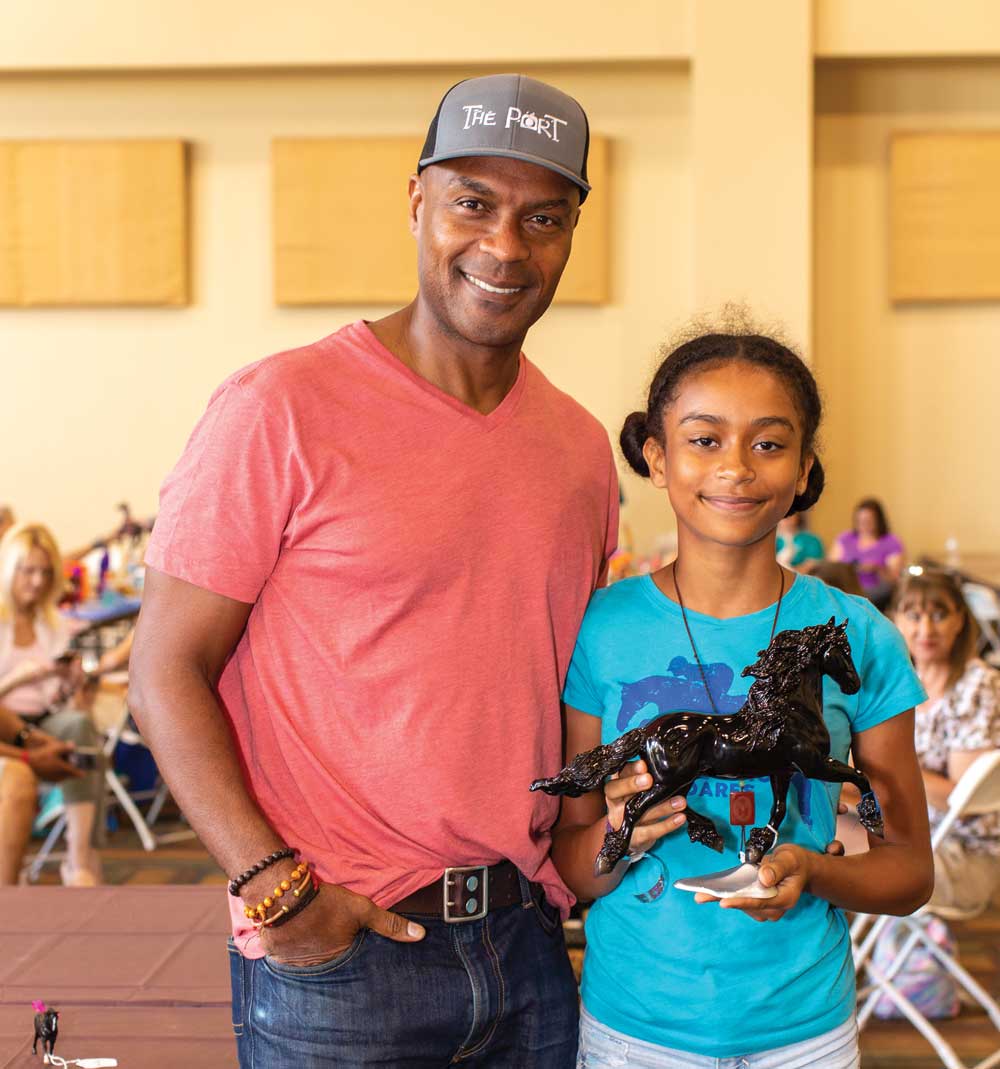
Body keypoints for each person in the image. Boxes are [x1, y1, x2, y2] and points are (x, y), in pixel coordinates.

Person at [129, 74, 617, 1068]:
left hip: (525, 945)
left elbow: (562, 694)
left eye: (543, 217)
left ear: (572, 231)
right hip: (340, 952)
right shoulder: (281, 408)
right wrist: (277, 888)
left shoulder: (577, 450)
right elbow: (162, 670)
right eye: (471, 203)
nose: (505, 247)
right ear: (415, 202)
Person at [546, 325, 933, 1068]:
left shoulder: (862, 634)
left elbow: (911, 871)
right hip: (635, 1031)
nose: (736, 469)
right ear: (657, 457)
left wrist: (814, 869)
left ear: (804, 467)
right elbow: (574, 864)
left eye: (767, 443)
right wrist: (621, 828)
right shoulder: (600, 628)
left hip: (805, 1034)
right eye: (704, 439)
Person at [0, 523, 104, 885]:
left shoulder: (54, 623)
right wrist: (18, 678)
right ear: (10, 568)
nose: (37, 581)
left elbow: (70, 705)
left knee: (78, 727)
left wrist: (73, 684)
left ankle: (79, 858)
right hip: (7, 723)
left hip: (44, 722)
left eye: (45, 572)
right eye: (28, 570)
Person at [893, 570, 1000, 912]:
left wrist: (881, 770)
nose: (926, 630)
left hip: (962, 856)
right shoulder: (905, 680)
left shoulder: (977, 685)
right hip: (913, 839)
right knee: (814, 830)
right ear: (896, 620)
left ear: (960, 621)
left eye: (939, 615)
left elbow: (960, 800)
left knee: (823, 853)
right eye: (914, 616)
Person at [830, 497, 904, 609]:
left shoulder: (891, 542)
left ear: (879, 520)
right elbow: (831, 568)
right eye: (860, 520)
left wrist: (878, 568)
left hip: (875, 593)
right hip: (844, 589)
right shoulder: (845, 538)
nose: (864, 524)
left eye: (869, 520)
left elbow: (894, 579)